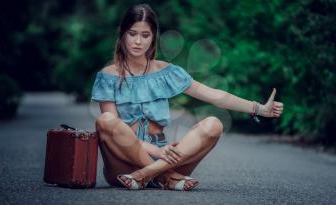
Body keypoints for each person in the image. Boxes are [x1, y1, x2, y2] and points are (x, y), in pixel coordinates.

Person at [91, 4, 284, 191]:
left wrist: (259, 108)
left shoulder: (166, 71)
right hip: (123, 164)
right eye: (132, 33)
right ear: (122, 34)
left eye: (145, 35)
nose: (138, 41)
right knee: (105, 120)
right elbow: (112, 129)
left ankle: (149, 174)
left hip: (166, 157)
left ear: (153, 38)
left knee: (214, 124)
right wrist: (156, 152)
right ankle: (165, 177)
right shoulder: (108, 76)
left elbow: (216, 95)